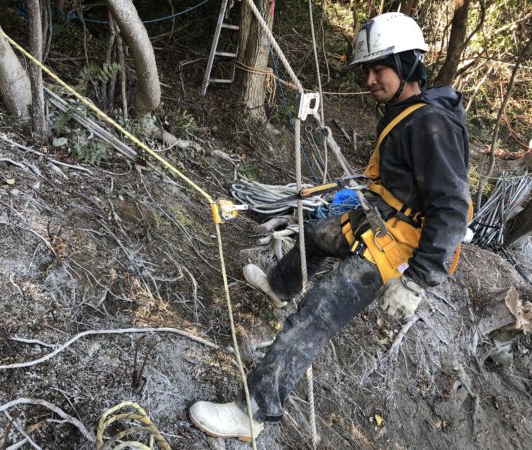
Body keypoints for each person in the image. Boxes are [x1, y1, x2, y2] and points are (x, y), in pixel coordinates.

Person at [189, 12, 471, 442]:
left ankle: (252, 413)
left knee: (315, 315)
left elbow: (452, 206)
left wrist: (417, 281)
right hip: (381, 219)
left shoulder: (430, 124)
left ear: (409, 64)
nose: (370, 79)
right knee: (318, 234)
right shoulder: (409, 111)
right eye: (367, 71)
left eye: (380, 68)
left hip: (399, 244)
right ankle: (279, 286)